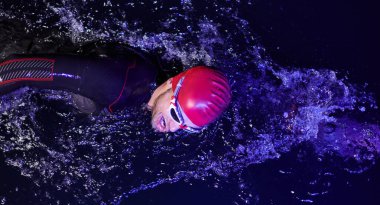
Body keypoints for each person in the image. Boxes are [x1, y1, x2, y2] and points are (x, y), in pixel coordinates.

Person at [0, 50, 231, 133]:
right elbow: (22, 69)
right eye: (177, 116)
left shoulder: (154, 93)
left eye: (187, 128)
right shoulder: (113, 85)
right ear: (172, 84)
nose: (173, 128)